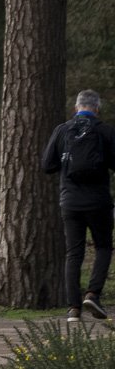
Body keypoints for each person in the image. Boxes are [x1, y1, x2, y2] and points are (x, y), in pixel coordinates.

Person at [41, 90, 115, 323]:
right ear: (97, 108)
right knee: (103, 247)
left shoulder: (62, 130)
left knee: (74, 252)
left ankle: (73, 308)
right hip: (99, 202)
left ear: (76, 108)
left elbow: (47, 165)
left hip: (70, 202)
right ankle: (93, 294)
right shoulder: (105, 131)